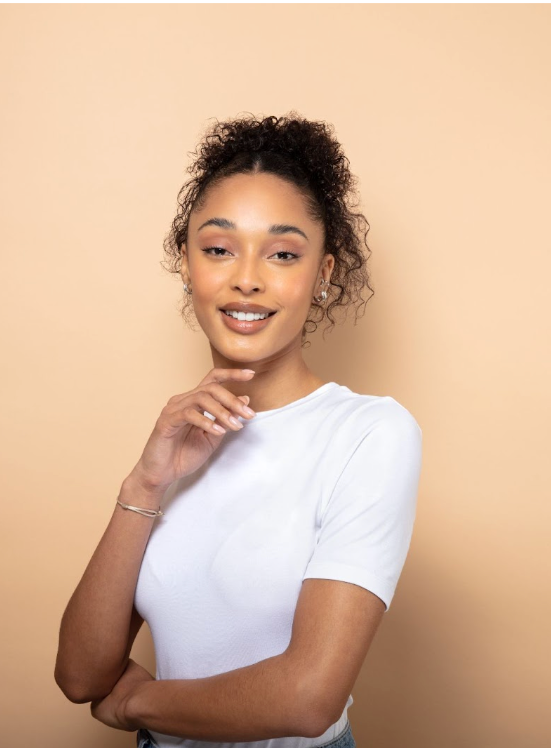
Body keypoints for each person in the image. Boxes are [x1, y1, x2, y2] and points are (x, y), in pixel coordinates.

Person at [55, 112, 423, 748]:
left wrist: (140, 701)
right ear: (186, 263)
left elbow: (308, 698)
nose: (246, 277)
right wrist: (146, 480)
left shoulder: (369, 433)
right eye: (218, 248)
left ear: (326, 275)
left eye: (282, 253)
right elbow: (81, 673)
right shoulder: (179, 440)